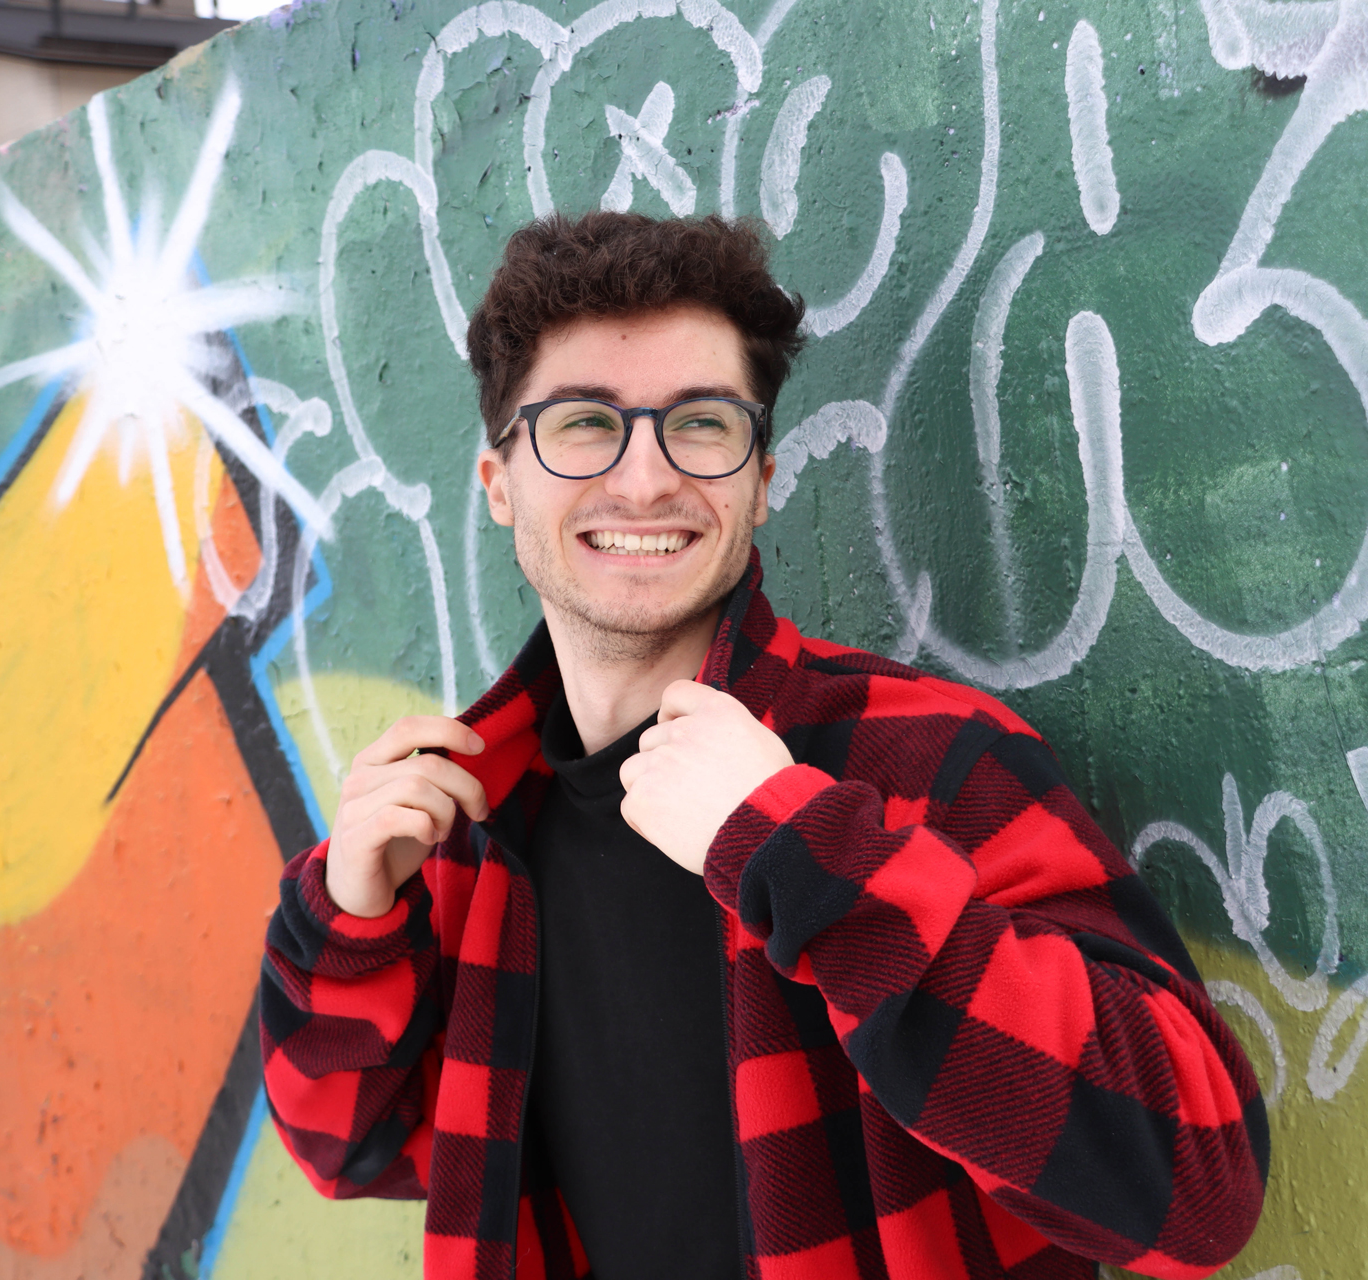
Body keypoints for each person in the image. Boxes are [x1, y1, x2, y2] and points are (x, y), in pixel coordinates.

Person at [260, 212, 1266, 1280]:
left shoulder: (925, 761)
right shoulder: (473, 830)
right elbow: (352, 1146)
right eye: (585, 423)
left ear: (763, 477)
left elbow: (1199, 1191)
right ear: (500, 483)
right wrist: (349, 924)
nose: (645, 480)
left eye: (700, 423)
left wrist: (804, 857)